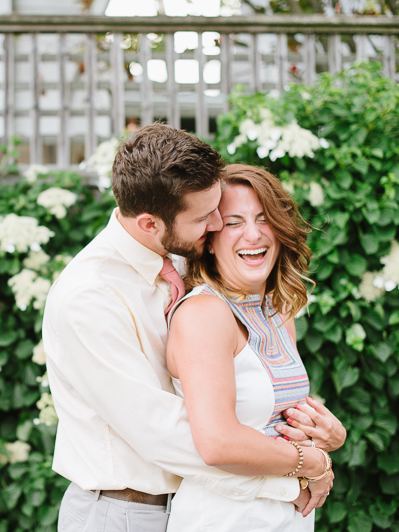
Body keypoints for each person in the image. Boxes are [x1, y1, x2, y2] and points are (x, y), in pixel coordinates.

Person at [42, 125, 340, 532]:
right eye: (205, 217)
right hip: (123, 512)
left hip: (198, 502)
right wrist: (301, 469)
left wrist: (314, 434)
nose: (218, 224)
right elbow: (168, 432)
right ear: (150, 223)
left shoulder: (183, 255)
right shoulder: (90, 297)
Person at [164, 164, 345, 531]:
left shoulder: (277, 310)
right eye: (233, 222)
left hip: (287, 515)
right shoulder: (204, 313)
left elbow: (272, 414)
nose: (253, 234)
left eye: (264, 219)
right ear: (209, 239)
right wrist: (313, 463)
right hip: (225, 517)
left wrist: (330, 435)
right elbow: (218, 443)